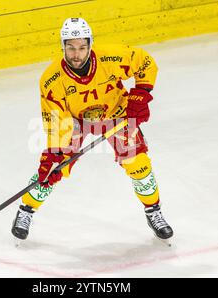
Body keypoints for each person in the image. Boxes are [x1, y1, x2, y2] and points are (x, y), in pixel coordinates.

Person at [11, 17, 173, 242]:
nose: (76, 54)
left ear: (90, 44)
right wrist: (53, 155)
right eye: (70, 48)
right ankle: (25, 211)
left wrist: (140, 95)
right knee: (52, 170)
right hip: (76, 120)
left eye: (82, 47)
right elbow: (56, 120)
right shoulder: (52, 80)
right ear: (63, 46)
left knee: (138, 164)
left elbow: (144, 62)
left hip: (116, 113)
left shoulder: (110, 57)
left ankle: (153, 211)